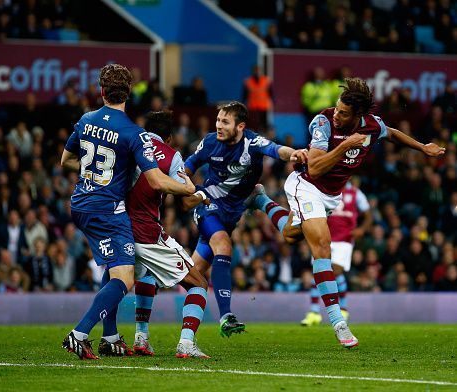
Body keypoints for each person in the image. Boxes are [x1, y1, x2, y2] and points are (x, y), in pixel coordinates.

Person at [247, 77, 445, 348]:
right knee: (322, 247)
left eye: (343, 112)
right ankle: (338, 322)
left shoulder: (371, 126)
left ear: (358, 116)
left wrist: (422, 147)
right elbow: (315, 168)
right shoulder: (323, 123)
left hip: (331, 196)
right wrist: (345, 145)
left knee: (292, 234)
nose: (337, 115)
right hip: (305, 185)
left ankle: (261, 202)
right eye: (337, 109)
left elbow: (393, 132)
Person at [60, 64, 195, 360]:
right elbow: (156, 180)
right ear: (129, 94)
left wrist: (96, 176)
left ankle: (109, 337)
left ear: (101, 91)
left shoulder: (85, 120)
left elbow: (66, 160)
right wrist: (188, 189)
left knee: (115, 268)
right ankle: (80, 334)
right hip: (108, 210)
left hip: (81, 203)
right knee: (125, 277)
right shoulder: (133, 133)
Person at [183, 101, 308, 337]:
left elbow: (276, 150)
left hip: (233, 212)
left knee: (192, 276)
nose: (218, 126)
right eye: (218, 120)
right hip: (209, 205)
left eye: (225, 122)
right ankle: (226, 316)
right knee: (223, 245)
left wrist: (294, 153)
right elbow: (187, 167)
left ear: (240, 126)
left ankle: (184, 336)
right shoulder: (210, 142)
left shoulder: (252, 142)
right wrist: (188, 189)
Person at [107, 110, 209, 359]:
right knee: (199, 284)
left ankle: (141, 338)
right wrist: (203, 195)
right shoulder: (171, 155)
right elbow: (185, 200)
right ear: (170, 137)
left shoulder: (128, 145)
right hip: (147, 233)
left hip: (120, 228)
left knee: (146, 276)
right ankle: (186, 343)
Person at [300, 179, 372, 326]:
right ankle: (314, 313)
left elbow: (368, 214)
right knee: (318, 270)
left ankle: (343, 309)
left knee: (336, 271)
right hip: (323, 236)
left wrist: (362, 229)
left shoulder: (355, 193)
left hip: (344, 239)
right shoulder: (326, 187)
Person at [242, 65, 272, 130]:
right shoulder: (248, 81)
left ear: (261, 71)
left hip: (264, 107)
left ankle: (263, 137)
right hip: (252, 107)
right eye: (255, 70)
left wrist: (273, 103)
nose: (257, 72)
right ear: (252, 71)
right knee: (253, 125)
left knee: (264, 125)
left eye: (258, 70)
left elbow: (271, 93)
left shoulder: (266, 80)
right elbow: (244, 95)